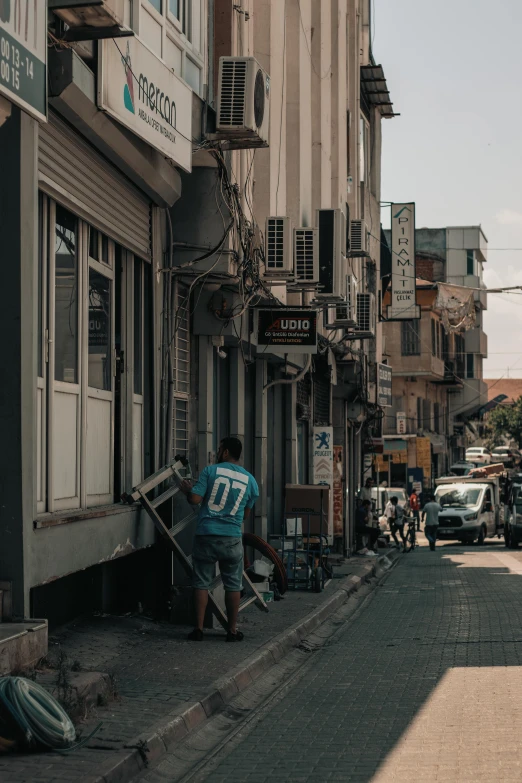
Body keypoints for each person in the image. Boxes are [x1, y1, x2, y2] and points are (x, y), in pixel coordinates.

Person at [181, 437, 259, 642]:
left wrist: (187, 490)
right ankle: (231, 631)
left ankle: (198, 629)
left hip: (206, 535)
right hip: (232, 539)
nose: (217, 452)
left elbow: (195, 500)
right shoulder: (250, 480)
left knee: (201, 583)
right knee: (233, 585)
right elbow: (246, 515)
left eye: (219, 449)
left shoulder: (210, 471)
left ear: (225, 452)